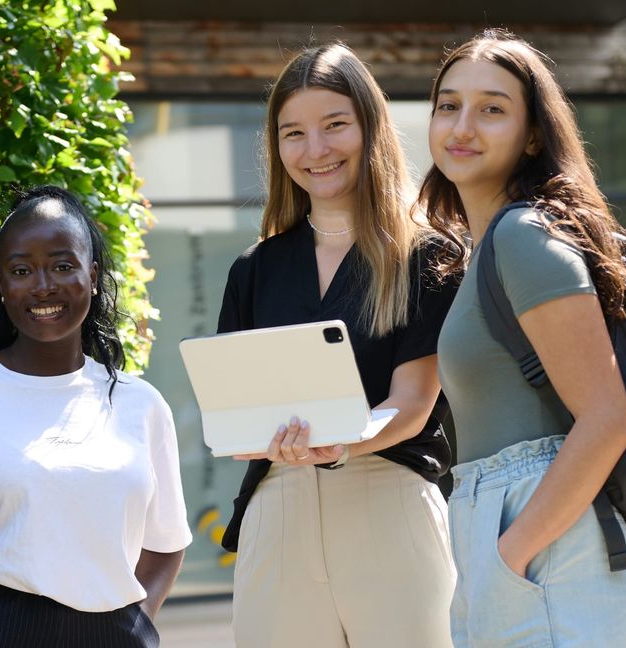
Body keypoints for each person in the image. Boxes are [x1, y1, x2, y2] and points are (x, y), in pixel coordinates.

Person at [419, 29, 626, 646]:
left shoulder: (524, 236)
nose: (462, 126)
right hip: (516, 537)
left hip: (547, 544)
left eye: (492, 109)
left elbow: (608, 419)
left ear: (532, 135)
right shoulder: (488, 247)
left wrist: (510, 554)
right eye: (448, 105)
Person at [217, 43, 459, 648]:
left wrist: (342, 441)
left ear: (370, 127)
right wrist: (258, 437)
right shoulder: (254, 269)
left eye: (334, 125)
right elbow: (235, 416)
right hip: (278, 510)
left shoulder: (426, 256)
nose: (315, 150)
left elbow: (412, 403)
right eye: (293, 133)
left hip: (388, 500)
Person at [0, 186, 193, 647]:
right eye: (22, 270)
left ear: (94, 275)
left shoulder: (140, 404)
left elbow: (166, 542)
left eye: (63, 266)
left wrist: (137, 624)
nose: (43, 285)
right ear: (2, 286)